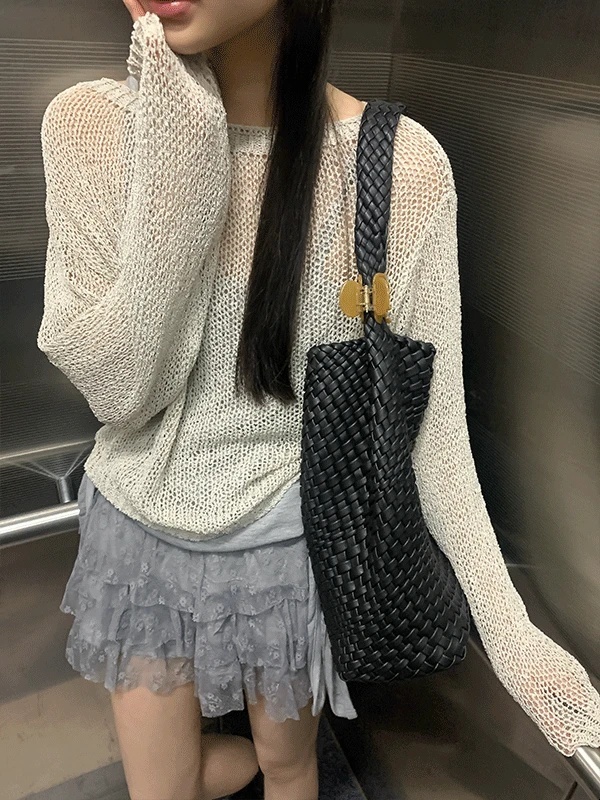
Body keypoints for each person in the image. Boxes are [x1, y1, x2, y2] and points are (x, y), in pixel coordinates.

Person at [36, 1, 600, 799]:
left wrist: (516, 641)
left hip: (288, 550)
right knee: (165, 787)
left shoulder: (400, 167)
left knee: (291, 767)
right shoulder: (90, 126)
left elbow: (433, 439)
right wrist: (180, 156)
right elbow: (122, 390)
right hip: (137, 542)